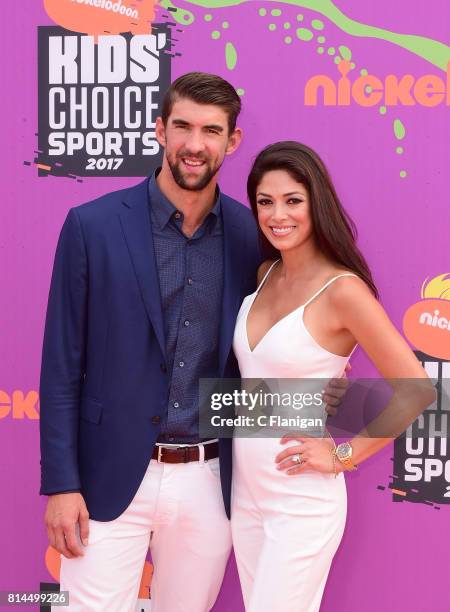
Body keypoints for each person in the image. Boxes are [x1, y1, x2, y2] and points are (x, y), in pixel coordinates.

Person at [39, 74, 346, 611]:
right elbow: (61, 365)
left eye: (211, 130)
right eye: (182, 126)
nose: (194, 144)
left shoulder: (256, 236)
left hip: (211, 480)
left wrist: (324, 406)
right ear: (160, 130)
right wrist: (62, 484)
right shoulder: (92, 227)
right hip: (106, 479)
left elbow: (274, 351)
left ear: (232, 141)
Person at [230, 141, 434, 612]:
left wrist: (343, 453)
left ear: (315, 202)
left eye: (292, 200)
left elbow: (417, 388)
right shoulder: (265, 274)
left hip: (301, 501)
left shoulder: (343, 290)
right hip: (246, 494)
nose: (277, 215)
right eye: (265, 202)